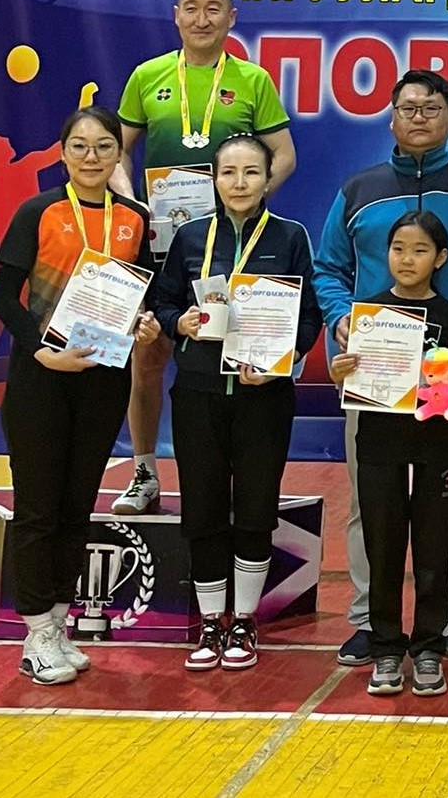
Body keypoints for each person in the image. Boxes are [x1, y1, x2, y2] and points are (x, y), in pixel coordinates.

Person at [314, 69, 448, 669]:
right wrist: (340, 318)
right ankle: (368, 620)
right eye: (407, 107)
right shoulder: (359, 189)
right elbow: (328, 268)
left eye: (431, 108)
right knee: (370, 503)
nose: (418, 117)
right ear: (391, 117)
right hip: (375, 374)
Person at [110, 0, 296, 517]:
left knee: (225, 352)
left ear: (231, 17)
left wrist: (248, 197)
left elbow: (284, 154)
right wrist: (134, 206)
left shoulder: (252, 79)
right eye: (191, 7)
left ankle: (233, 479)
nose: (202, 18)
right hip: (162, 238)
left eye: (214, 8)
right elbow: (119, 150)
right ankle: (145, 471)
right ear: (176, 15)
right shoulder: (147, 75)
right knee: (149, 352)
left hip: (230, 241)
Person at [0, 106, 158, 685]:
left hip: (103, 379)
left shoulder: (134, 219)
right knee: (38, 508)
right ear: (62, 152)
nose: (92, 156)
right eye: (80, 146)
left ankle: (58, 623)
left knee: (77, 505)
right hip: (40, 376)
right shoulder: (37, 211)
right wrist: (42, 351)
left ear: (117, 155)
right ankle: (35, 630)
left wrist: (143, 323)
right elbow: (4, 300)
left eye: (104, 146)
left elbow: (140, 297)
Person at [148, 134, 320, 672]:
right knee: (201, 508)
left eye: (251, 172)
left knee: (254, 508)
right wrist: (179, 322)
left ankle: (243, 621)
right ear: (214, 179)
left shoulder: (290, 236)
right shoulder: (189, 236)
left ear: (268, 179)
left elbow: (309, 316)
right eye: (228, 172)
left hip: (263, 398)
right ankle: (209, 622)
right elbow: (164, 299)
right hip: (198, 394)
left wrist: (282, 359)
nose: (239, 182)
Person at [329, 212, 448, 698]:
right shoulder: (367, 315)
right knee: (383, 548)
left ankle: (429, 646)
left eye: (420, 250)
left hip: (438, 447)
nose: (407, 259)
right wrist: (340, 374)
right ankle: (386, 647)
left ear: (441, 258)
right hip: (380, 445)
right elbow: (350, 382)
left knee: (434, 551)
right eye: (398, 249)